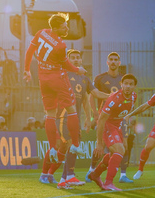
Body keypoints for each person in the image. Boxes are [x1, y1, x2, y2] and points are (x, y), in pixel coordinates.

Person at [38, 49, 109, 189]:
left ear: (81, 61)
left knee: (67, 146)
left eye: (78, 58)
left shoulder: (84, 79)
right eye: (73, 58)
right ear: (68, 60)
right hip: (62, 114)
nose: (76, 60)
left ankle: (62, 179)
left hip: (74, 118)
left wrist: (88, 118)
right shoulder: (62, 74)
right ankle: (59, 175)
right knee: (69, 144)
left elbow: (92, 96)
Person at [23, 13, 87, 163]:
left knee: (50, 114)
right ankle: (76, 145)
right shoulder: (61, 45)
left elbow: (29, 52)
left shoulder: (41, 33)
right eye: (64, 25)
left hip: (43, 79)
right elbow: (66, 64)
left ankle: (52, 148)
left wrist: (27, 70)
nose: (67, 28)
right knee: (72, 110)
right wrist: (78, 70)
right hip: (57, 78)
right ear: (57, 27)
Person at [86, 52, 133, 183]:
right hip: (105, 117)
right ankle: (91, 170)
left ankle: (123, 174)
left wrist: (127, 115)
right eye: (111, 60)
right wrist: (95, 112)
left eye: (115, 60)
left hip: (120, 118)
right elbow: (91, 95)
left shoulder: (124, 79)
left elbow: (128, 98)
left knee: (124, 145)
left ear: (119, 63)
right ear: (107, 62)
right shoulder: (100, 78)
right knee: (101, 145)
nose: (113, 62)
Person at [89, 74, 138, 191]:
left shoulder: (134, 97)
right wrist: (99, 143)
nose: (128, 86)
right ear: (121, 84)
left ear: (134, 87)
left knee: (114, 154)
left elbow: (123, 116)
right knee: (119, 150)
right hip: (107, 124)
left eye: (131, 84)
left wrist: (124, 135)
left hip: (118, 125)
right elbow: (101, 120)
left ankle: (95, 175)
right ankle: (108, 183)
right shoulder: (113, 99)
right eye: (125, 83)